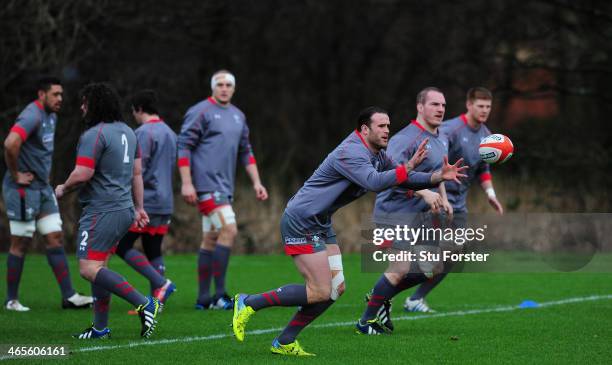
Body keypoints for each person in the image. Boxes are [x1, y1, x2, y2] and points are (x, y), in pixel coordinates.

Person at [232, 106, 467, 356]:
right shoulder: (351, 151)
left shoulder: (378, 153)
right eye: (381, 126)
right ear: (365, 129)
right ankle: (248, 302)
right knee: (319, 290)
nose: (387, 130)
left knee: (334, 290)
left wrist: (436, 177)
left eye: (388, 126)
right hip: (301, 220)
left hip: (320, 221)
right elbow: (374, 182)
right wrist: (407, 166)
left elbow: (402, 178)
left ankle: (285, 341)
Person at [55, 83, 159, 339]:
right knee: (100, 267)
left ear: (94, 104)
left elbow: (83, 174)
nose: (82, 107)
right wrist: (139, 207)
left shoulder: (94, 134)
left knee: (88, 269)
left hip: (102, 210)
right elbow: (137, 174)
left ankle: (145, 303)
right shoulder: (129, 131)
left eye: (84, 102)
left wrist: (62, 188)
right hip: (123, 210)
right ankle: (100, 328)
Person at [357, 87, 458, 334]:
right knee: (400, 268)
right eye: (434, 104)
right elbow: (387, 172)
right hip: (394, 211)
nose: (440, 109)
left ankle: (381, 294)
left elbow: (438, 173)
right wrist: (424, 192)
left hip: (419, 216)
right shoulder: (405, 138)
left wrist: (444, 199)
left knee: (434, 268)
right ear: (420, 107)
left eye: (443, 105)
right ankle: (365, 322)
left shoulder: (441, 137)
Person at [403, 87, 504, 313]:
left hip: (458, 204)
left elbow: (483, 168)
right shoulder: (449, 129)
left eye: (488, 106)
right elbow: (432, 157)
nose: (484, 110)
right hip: (433, 200)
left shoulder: (487, 135)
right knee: (427, 256)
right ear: (469, 105)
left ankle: (414, 299)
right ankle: (385, 292)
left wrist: (491, 195)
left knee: (455, 253)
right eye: (480, 106)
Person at [177, 70, 268, 310]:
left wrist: (257, 182)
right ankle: (219, 296)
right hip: (206, 186)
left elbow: (246, 151)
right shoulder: (200, 111)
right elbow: (184, 146)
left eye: (228, 84)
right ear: (212, 87)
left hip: (224, 187)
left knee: (211, 238)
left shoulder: (238, 116)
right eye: (220, 84)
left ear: (234, 89)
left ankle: (203, 299)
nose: (224, 88)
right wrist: (187, 183)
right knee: (229, 228)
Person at [3, 77, 92, 311]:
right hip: (23, 189)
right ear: (41, 95)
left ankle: (69, 296)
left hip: (42, 189)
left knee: (55, 238)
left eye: (61, 94)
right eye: (55, 94)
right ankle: (11, 300)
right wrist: (15, 175)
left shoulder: (51, 116)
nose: (60, 99)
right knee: (20, 243)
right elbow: (11, 143)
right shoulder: (32, 115)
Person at [115, 90, 177, 314]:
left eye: (133, 111)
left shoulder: (142, 133)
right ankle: (156, 304)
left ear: (138, 109)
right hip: (166, 200)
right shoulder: (170, 132)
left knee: (121, 246)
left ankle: (162, 284)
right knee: (153, 249)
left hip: (148, 199)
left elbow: (137, 169)